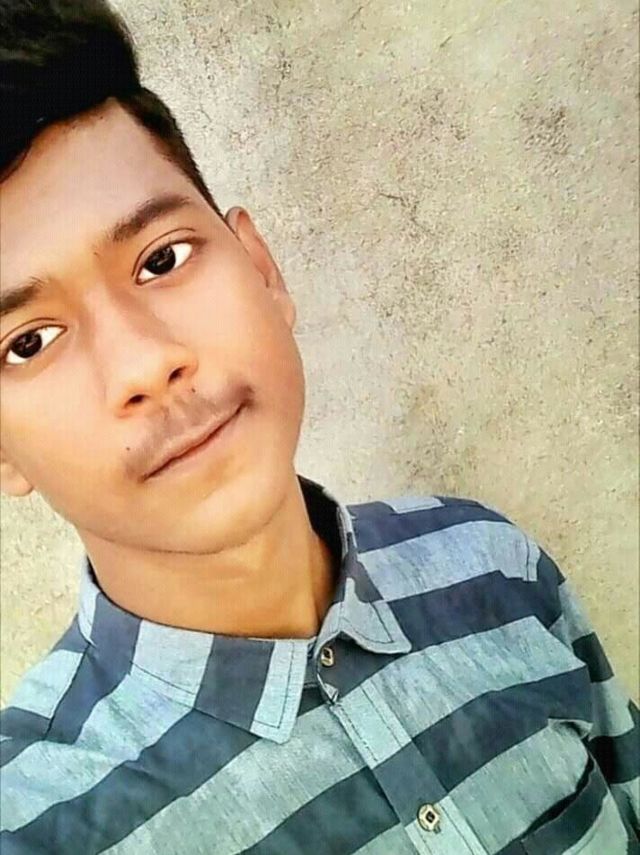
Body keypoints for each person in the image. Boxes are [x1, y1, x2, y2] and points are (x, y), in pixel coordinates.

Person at [0, 2, 637, 853]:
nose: (145, 363)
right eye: (29, 342)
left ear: (262, 269)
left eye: (161, 259)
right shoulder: (36, 823)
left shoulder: (492, 563)